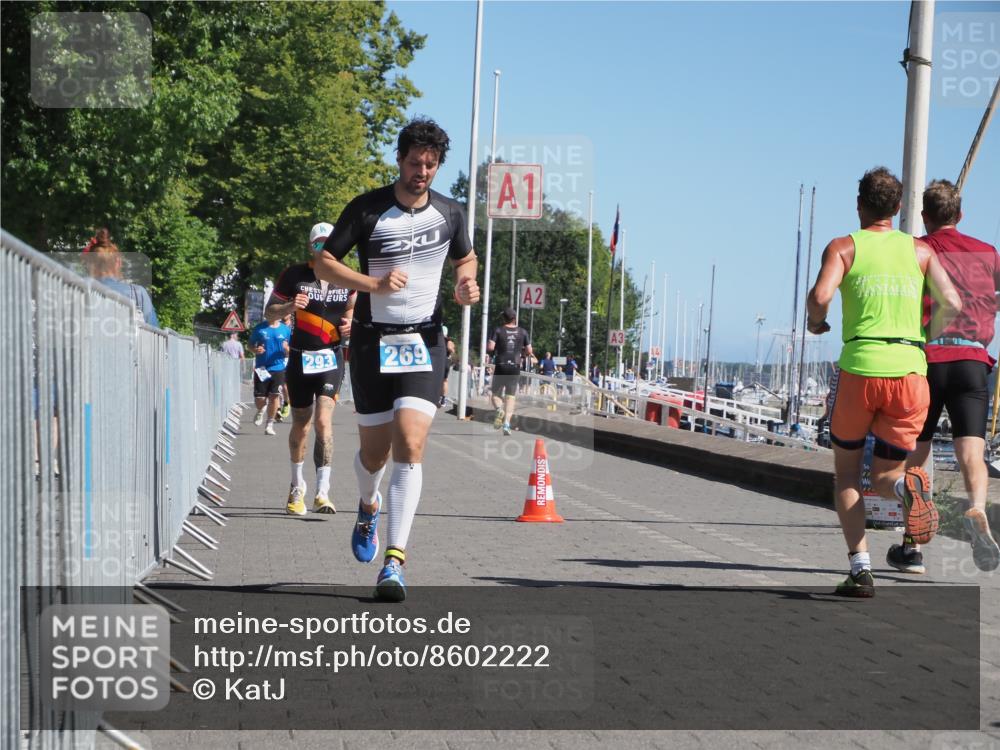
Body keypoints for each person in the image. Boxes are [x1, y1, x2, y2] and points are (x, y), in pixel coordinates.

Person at [314, 118, 480, 601]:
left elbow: (465, 260)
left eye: (430, 165)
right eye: (414, 163)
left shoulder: (451, 213)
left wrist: (466, 284)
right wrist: (373, 286)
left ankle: (394, 562)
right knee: (374, 454)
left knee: (410, 442)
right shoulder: (367, 209)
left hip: (425, 340)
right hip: (371, 341)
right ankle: (368, 505)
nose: (421, 173)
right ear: (399, 160)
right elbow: (324, 263)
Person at [806, 166, 961, 597]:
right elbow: (953, 301)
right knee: (886, 474)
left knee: (848, 474)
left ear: (860, 206)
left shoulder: (844, 247)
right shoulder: (920, 252)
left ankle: (860, 569)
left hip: (861, 369)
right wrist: (925, 337)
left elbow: (820, 297)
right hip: (910, 372)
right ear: (897, 209)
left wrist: (816, 323)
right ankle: (905, 490)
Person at [901, 180, 1000, 573]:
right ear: (960, 215)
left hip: (930, 357)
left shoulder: (918, 250)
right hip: (974, 360)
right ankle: (977, 508)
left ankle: (912, 546)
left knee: (918, 451)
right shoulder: (989, 253)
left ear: (925, 217)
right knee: (971, 453)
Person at [264, 222, 354, 516]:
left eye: (328, 244)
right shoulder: (294, 275)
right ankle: (296, 486)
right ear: (310, 246)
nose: (323, 248)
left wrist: (351, 323)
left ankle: (323, 492)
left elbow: (354, 306)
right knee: (301, 423)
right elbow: (269, 311)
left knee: (323, 422)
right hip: (301, 358)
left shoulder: (346, 276)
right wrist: (290, 306)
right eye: (318, 244)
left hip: (331, 358)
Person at [83, 228, 159, 327]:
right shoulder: (137, 294)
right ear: (118, 262)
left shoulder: (77, 289)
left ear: (90, 263)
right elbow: (154, 331)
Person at [488, 308, 532, 435]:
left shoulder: (498, 330)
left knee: (495, 394)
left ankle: (499, 410)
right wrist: (522, 353)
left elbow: (490, 347)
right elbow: (529, 351)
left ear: (504, 318)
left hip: (501, 364)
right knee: (511, 397)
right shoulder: (523, 332)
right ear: (515, 318)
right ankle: (506, 424)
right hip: (515, 365)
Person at [249, 316, 291, 436]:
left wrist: (287, 348)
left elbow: (292, 350)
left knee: (274, 396)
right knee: (260, 399)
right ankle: (261, 409)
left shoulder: (285, 330)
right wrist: (256, 349)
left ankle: (269, 425)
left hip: (278, 368)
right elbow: (250, 345)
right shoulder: (259, 328)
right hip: (261, 368)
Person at [440, 325, 456, 407]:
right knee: (444, 380)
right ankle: (443, 398)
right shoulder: (449, 340)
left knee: (435, 379)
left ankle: (437, 397)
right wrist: (452, 351)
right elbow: (451, 349)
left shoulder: (437, 339)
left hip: (438, 360)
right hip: (446, 360)